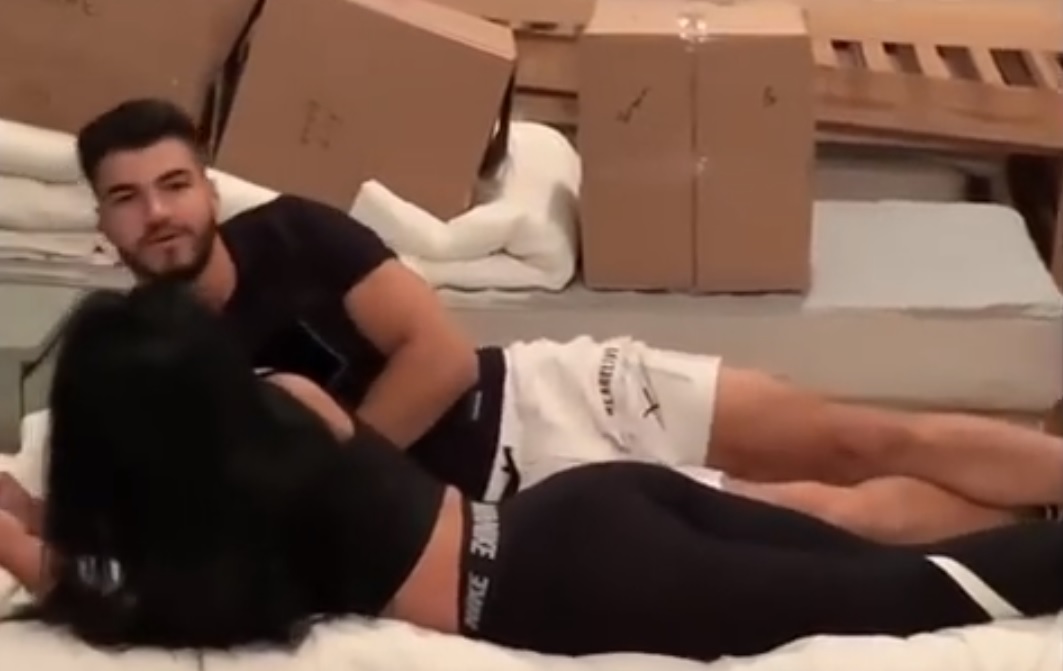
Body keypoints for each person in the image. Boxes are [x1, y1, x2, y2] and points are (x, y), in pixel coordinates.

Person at [74, 97, 1063, 545]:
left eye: (174, 185)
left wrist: (335, 462)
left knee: (858, 437)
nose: (158, 213)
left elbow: (440, 356)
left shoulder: (295, 233)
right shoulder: (145, 353)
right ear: (103, 222)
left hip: (549, 392)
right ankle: (1036, 530)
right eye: (128, 197)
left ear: (207, 189)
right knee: (813, 518)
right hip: (511, 510)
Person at [3, 284, 1062, 661]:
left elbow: (62, 561)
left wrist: (23, 522)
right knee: (895, 567)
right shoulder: (292, 399)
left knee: (914, 594)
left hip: (562, 584)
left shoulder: (204, 538)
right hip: (578, 506)